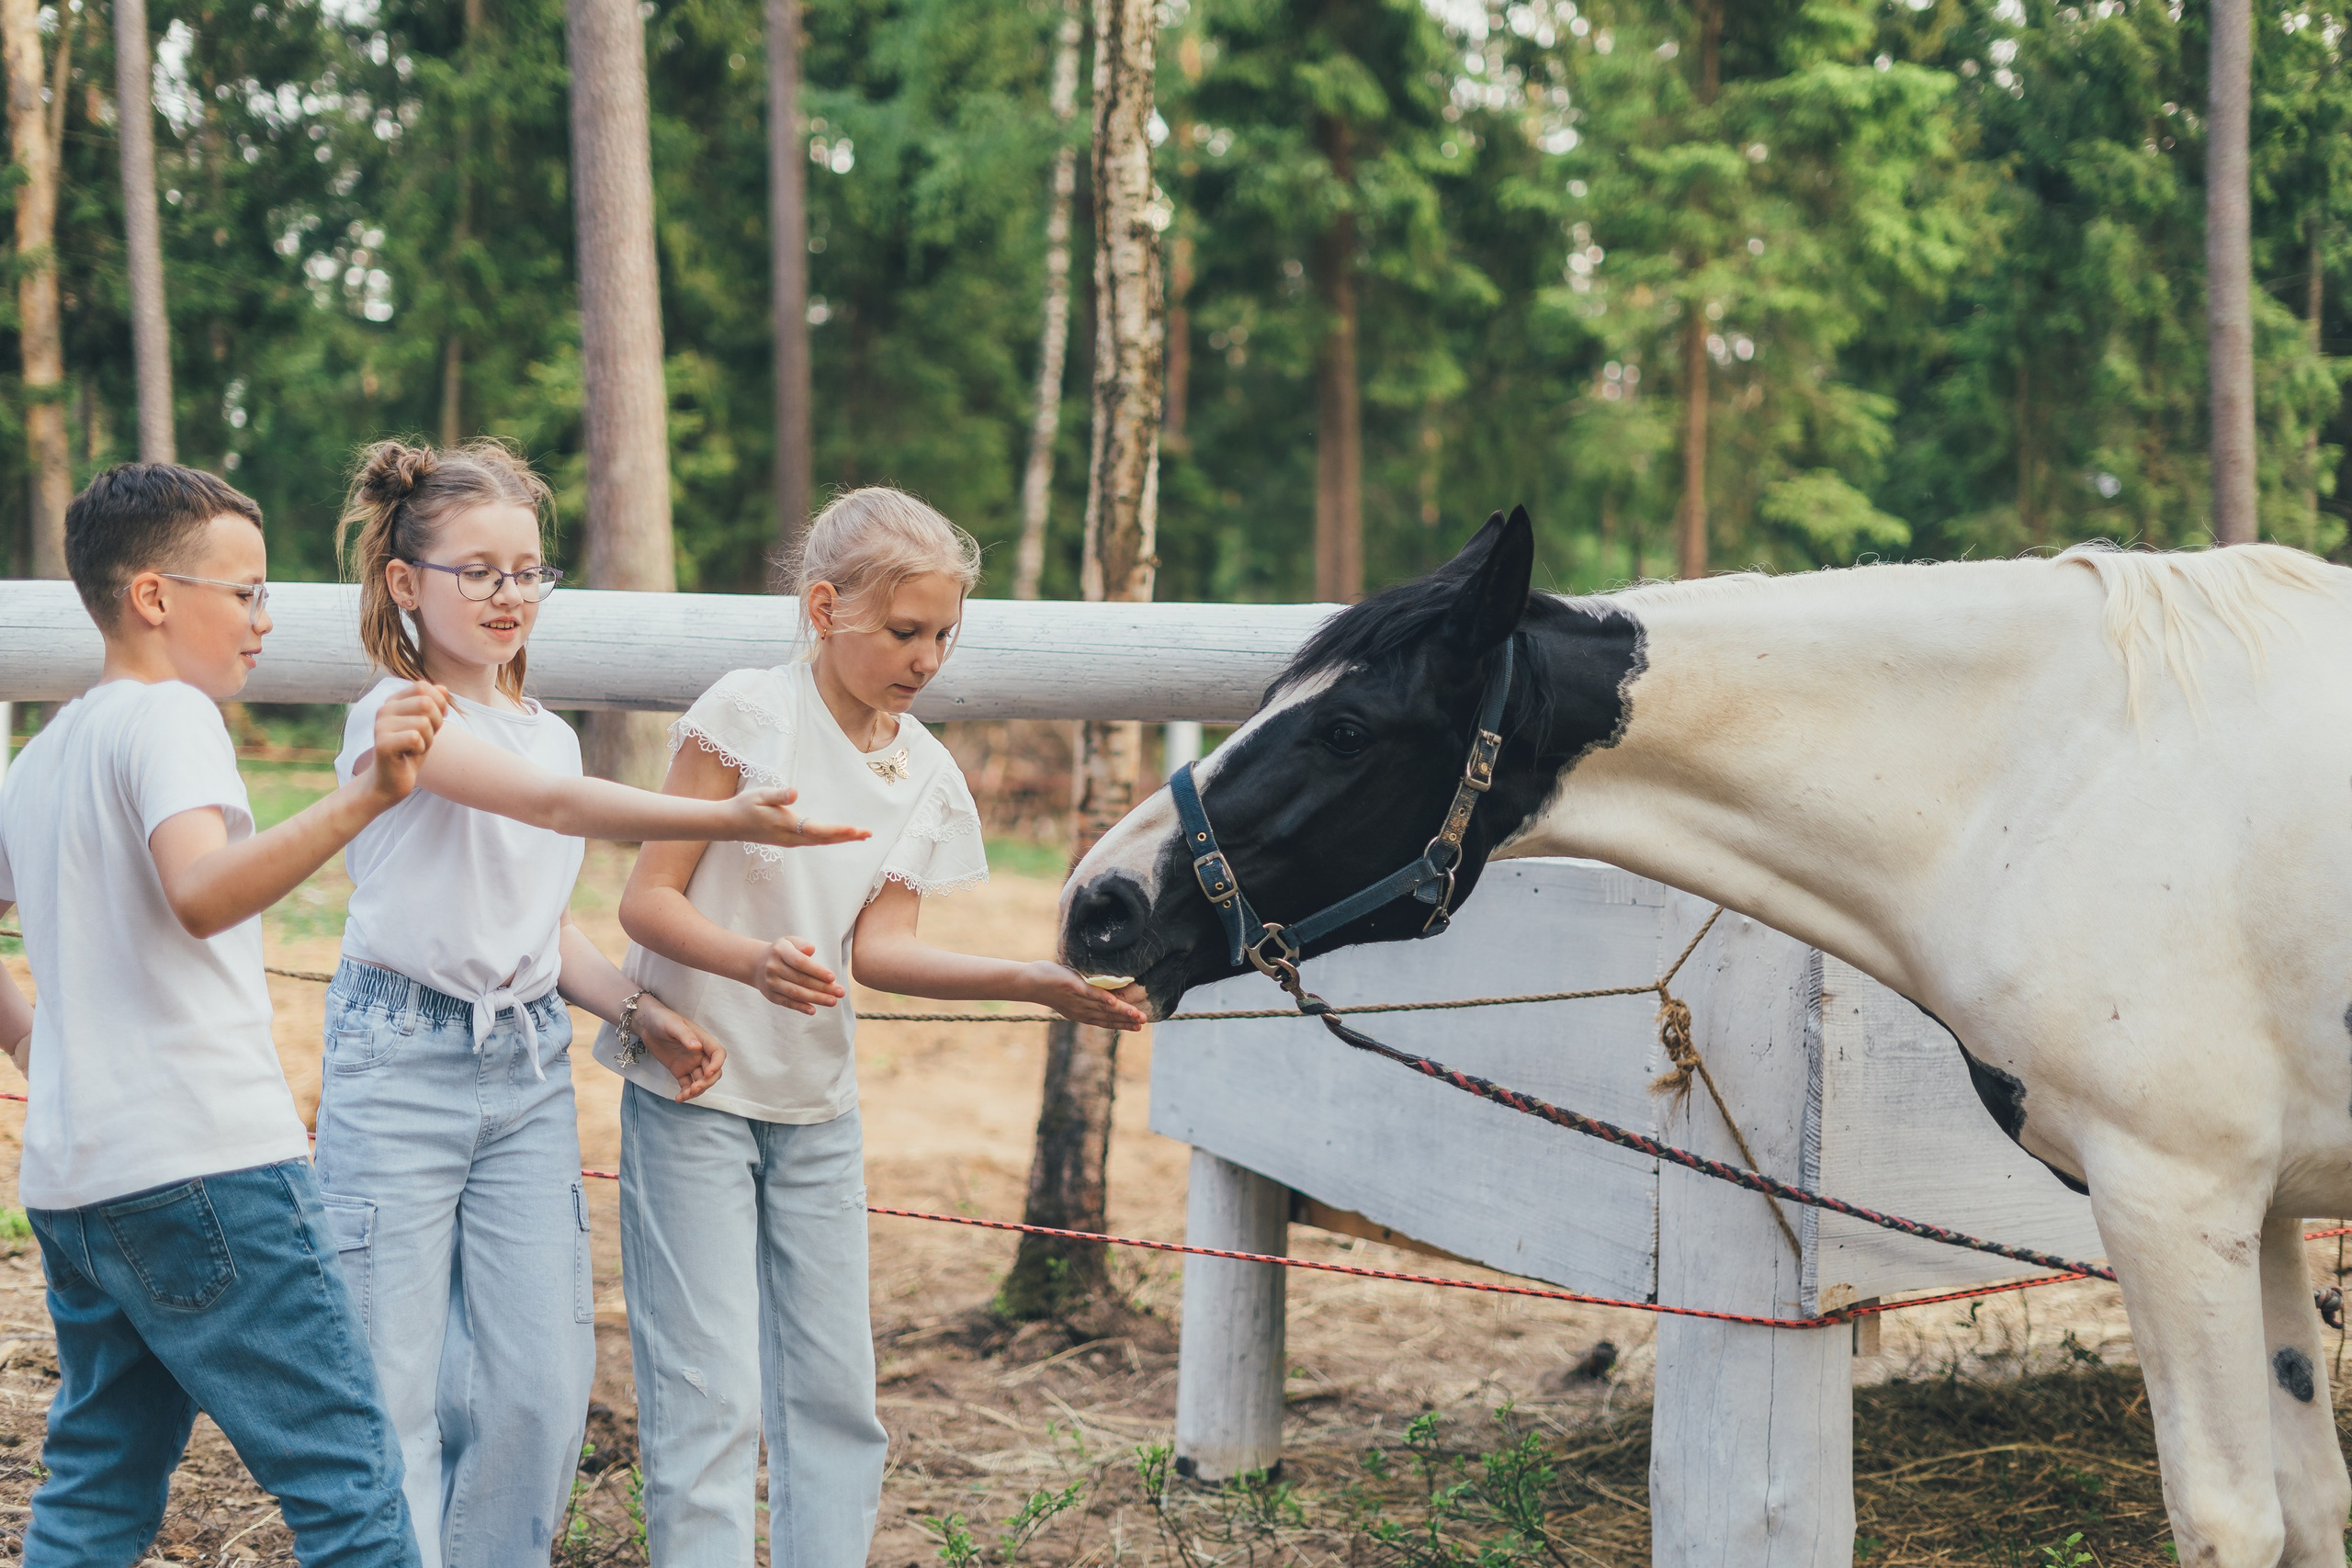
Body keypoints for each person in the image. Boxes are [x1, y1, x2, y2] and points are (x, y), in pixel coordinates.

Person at [314, 439, 867, 1568]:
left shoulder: (544, 725)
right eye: (477, 571)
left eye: (526, 570)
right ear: (406, 583)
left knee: (537, 1389)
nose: (508, 594)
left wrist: (633, 1007)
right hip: (397, 1060)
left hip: (522, 1069)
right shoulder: (399, 718)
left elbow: (540, 918)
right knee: (389, 1381)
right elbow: (556, 807)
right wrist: (733, 817)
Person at [607, 486, 1147, 1563]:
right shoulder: (748, 716)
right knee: (707, 1385)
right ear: (825, 608)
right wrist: (749, 961)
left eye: (945, 633)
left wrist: (1032, 981)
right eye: (905, 631)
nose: (928, 657)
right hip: (696, 1088)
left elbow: (881, 950)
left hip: (817, 1109)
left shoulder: (924, 771)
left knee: (834, 1389)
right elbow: (646, 899)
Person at [0, 463, 448, 1564]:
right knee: (350, 1480)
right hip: (208, 1167)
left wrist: (46, 1045)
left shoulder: (40, 756)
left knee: (100, 1484)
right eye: (243, 591)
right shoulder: (170, 718)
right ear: (155, 597)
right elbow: (200, 892)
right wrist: (364, 797)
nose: (263, 618)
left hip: (78, 1182)